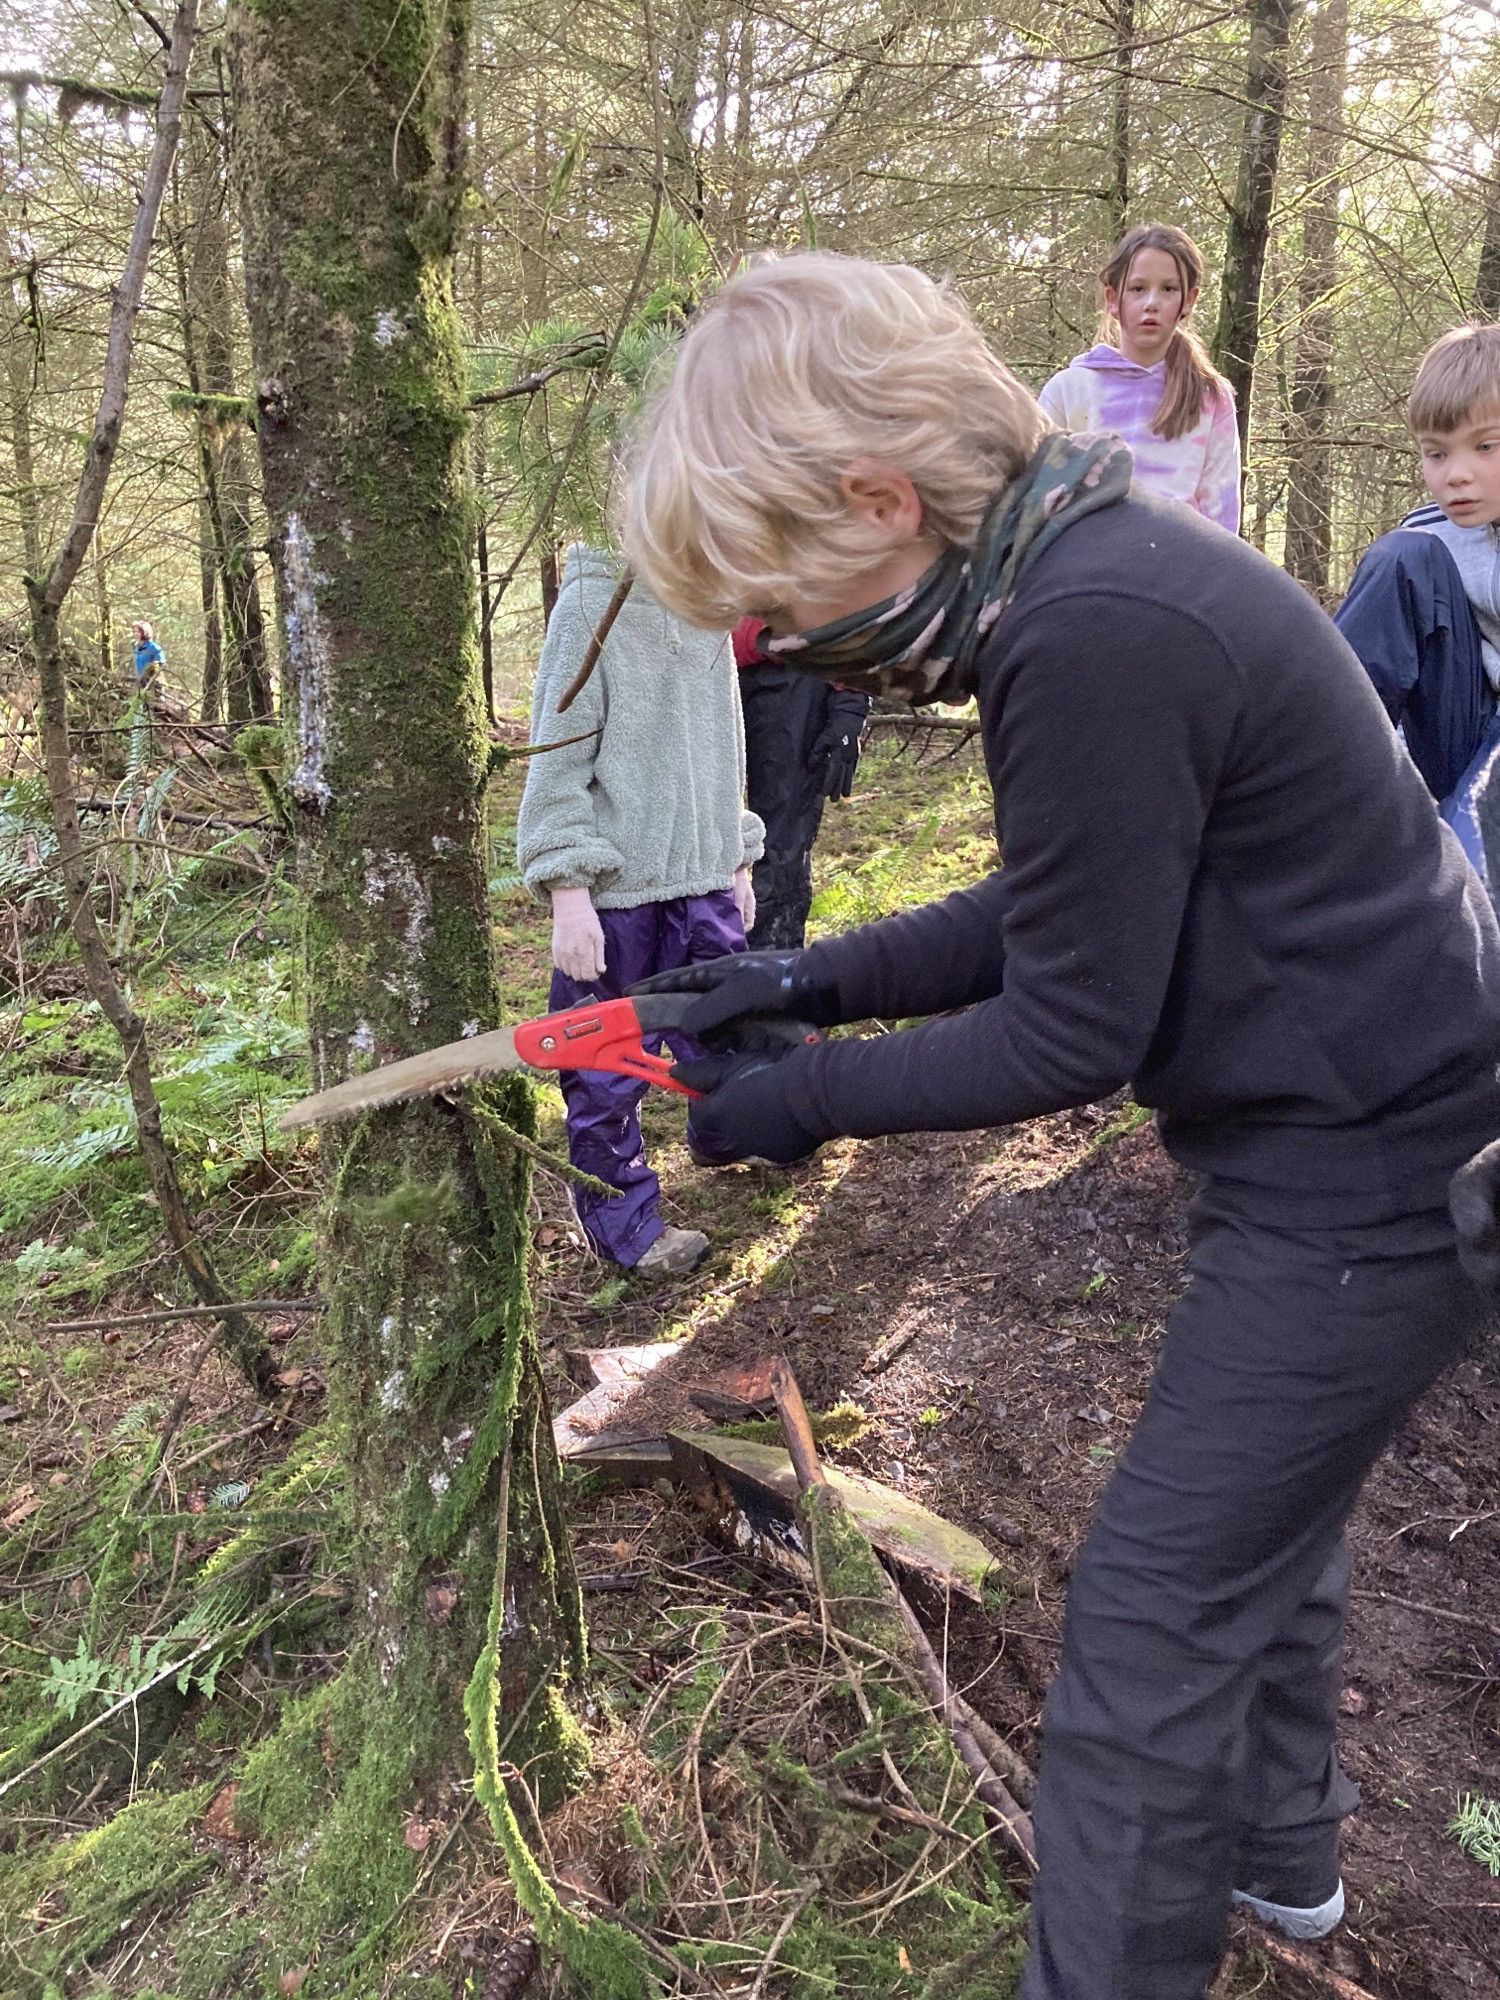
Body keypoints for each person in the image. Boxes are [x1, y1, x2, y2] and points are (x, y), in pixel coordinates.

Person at [619, 252, 1500, 1998]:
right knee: (1261, 1531)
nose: (787, 645)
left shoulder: (1092, 626)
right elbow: (1068, 899)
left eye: (780, 594)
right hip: (1342, 1135)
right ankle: (1285, 1867)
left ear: (881, 499)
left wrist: (792, 1102)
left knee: (1155, 1623)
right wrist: (808, 981)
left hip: (1379, 1179)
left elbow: (1069, 1029)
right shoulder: (1092, 576)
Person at [516, 544, 764, 1277]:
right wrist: (568, 891)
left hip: (702, 882)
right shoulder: (594, 602)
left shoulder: (714, 605)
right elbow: (556, 754)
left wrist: (736, 853)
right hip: (619, 896)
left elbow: (725, 746)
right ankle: (625, 1229)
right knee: (603, 1074)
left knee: (726, 1033)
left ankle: (725, 1136)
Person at [1334, 323, 1500, 897]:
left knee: (1474, 876)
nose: (1456, 474)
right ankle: (1319, 754)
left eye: (1486, 446)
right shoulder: (1427, 537)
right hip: (1462, 724)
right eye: (1437, 453)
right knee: (1400, 557)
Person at [1038, 222, 1241, 533]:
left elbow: (1223, 521)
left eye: (1169, 289)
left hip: (1181, 572)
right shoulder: (1069, 390)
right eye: (1138, 288)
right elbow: (1038, 503)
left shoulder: (1211, 397)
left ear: (1189, 300)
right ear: (1112, 298)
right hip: (1087, 571)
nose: (1151, 303)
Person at [733, 613, 871, 949]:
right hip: (703, 657)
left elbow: (845, 584)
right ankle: (704, 962)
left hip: (798, 668)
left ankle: (771, 970)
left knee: (783, 841)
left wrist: (850, 698)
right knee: (699, 831)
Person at [131, 621, 165, 688]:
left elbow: (162, 666)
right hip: (140, 683)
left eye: (138, 632)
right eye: (134, 631)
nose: (136, 634)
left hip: (154, 684)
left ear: (145, 632)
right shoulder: (137, 649)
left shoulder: (154, 648)